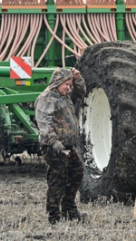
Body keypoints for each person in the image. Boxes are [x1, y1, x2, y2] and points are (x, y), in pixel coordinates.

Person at [34, 67, 86, 224]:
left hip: (68, 146)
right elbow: (44, 124)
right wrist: (56, 145)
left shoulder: (63, 95)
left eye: (70, 84)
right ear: (58, 83)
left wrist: (77, 78)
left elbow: (81, 92)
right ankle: (54, 217)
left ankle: (69, 209)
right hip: (54, 147)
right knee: (58, 180)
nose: (69, 88)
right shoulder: (46, 98)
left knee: (77, 172)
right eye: (67, 84)